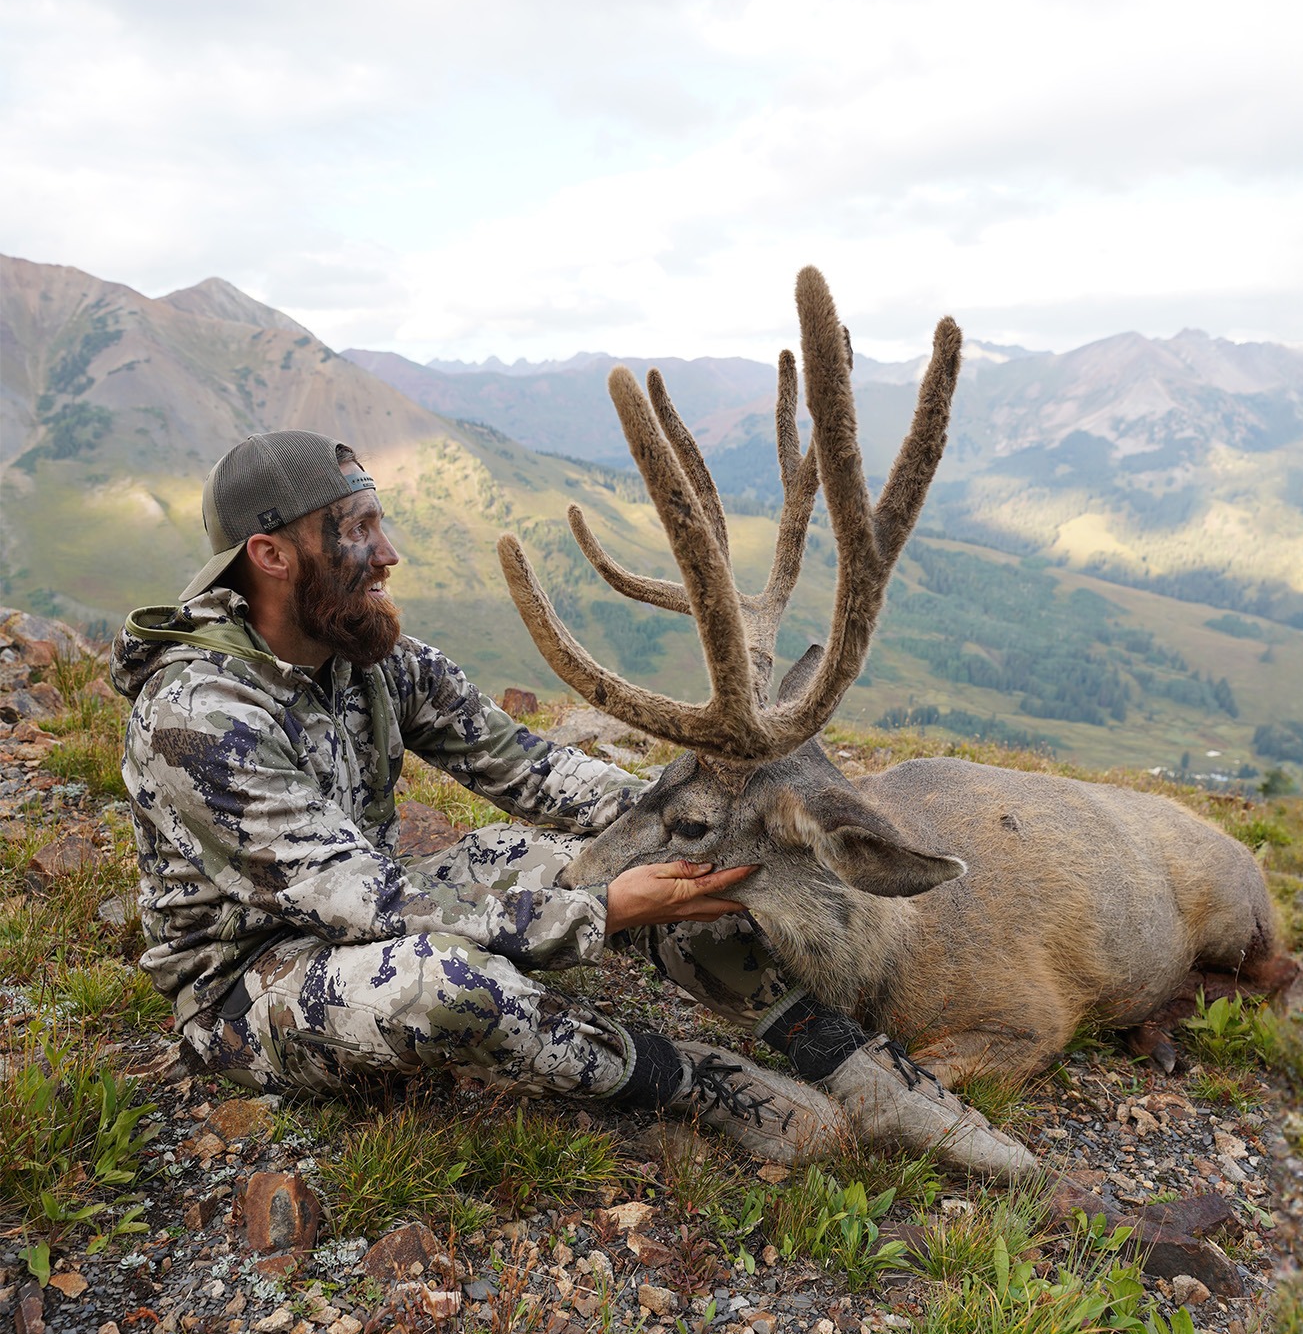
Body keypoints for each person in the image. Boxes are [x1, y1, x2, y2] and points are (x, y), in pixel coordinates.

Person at [115, 428, 1042, 1179]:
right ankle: (681, 1083)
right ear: (271, 555)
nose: (388, 554)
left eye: (379, 522)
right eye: (356, 530)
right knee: (446, 986)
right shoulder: (199, 718)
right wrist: (602, 910)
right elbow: (365, 904)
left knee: (660, 856)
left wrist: (699, 811)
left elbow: (527, 768)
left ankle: (837, 1055)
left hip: (377, 905)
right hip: (253, 983)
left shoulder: (370, 655)